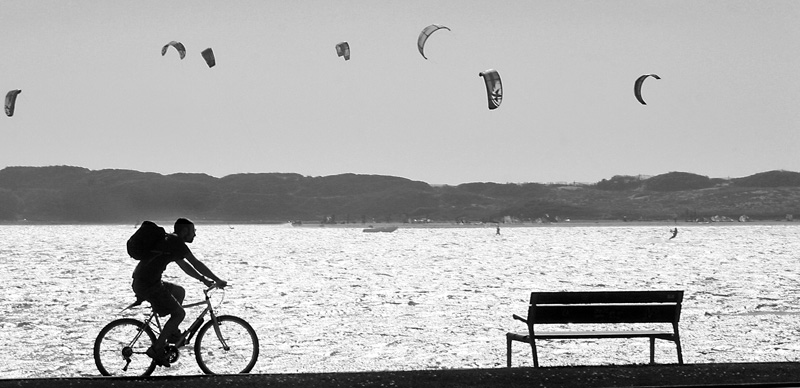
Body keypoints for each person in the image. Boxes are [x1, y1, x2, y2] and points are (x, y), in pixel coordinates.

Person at [131, 218, 227, 367]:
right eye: (193, 231)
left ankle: (172, 333)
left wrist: (203, 280)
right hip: (148, 284)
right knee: (179, 314)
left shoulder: (170, 242)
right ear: (184, 231)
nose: (194, 235)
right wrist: (217, 280)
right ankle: (157, 348)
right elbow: (195, 263)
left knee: (179, 292)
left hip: (144, 281)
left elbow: (185, 266)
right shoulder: (175, 243)